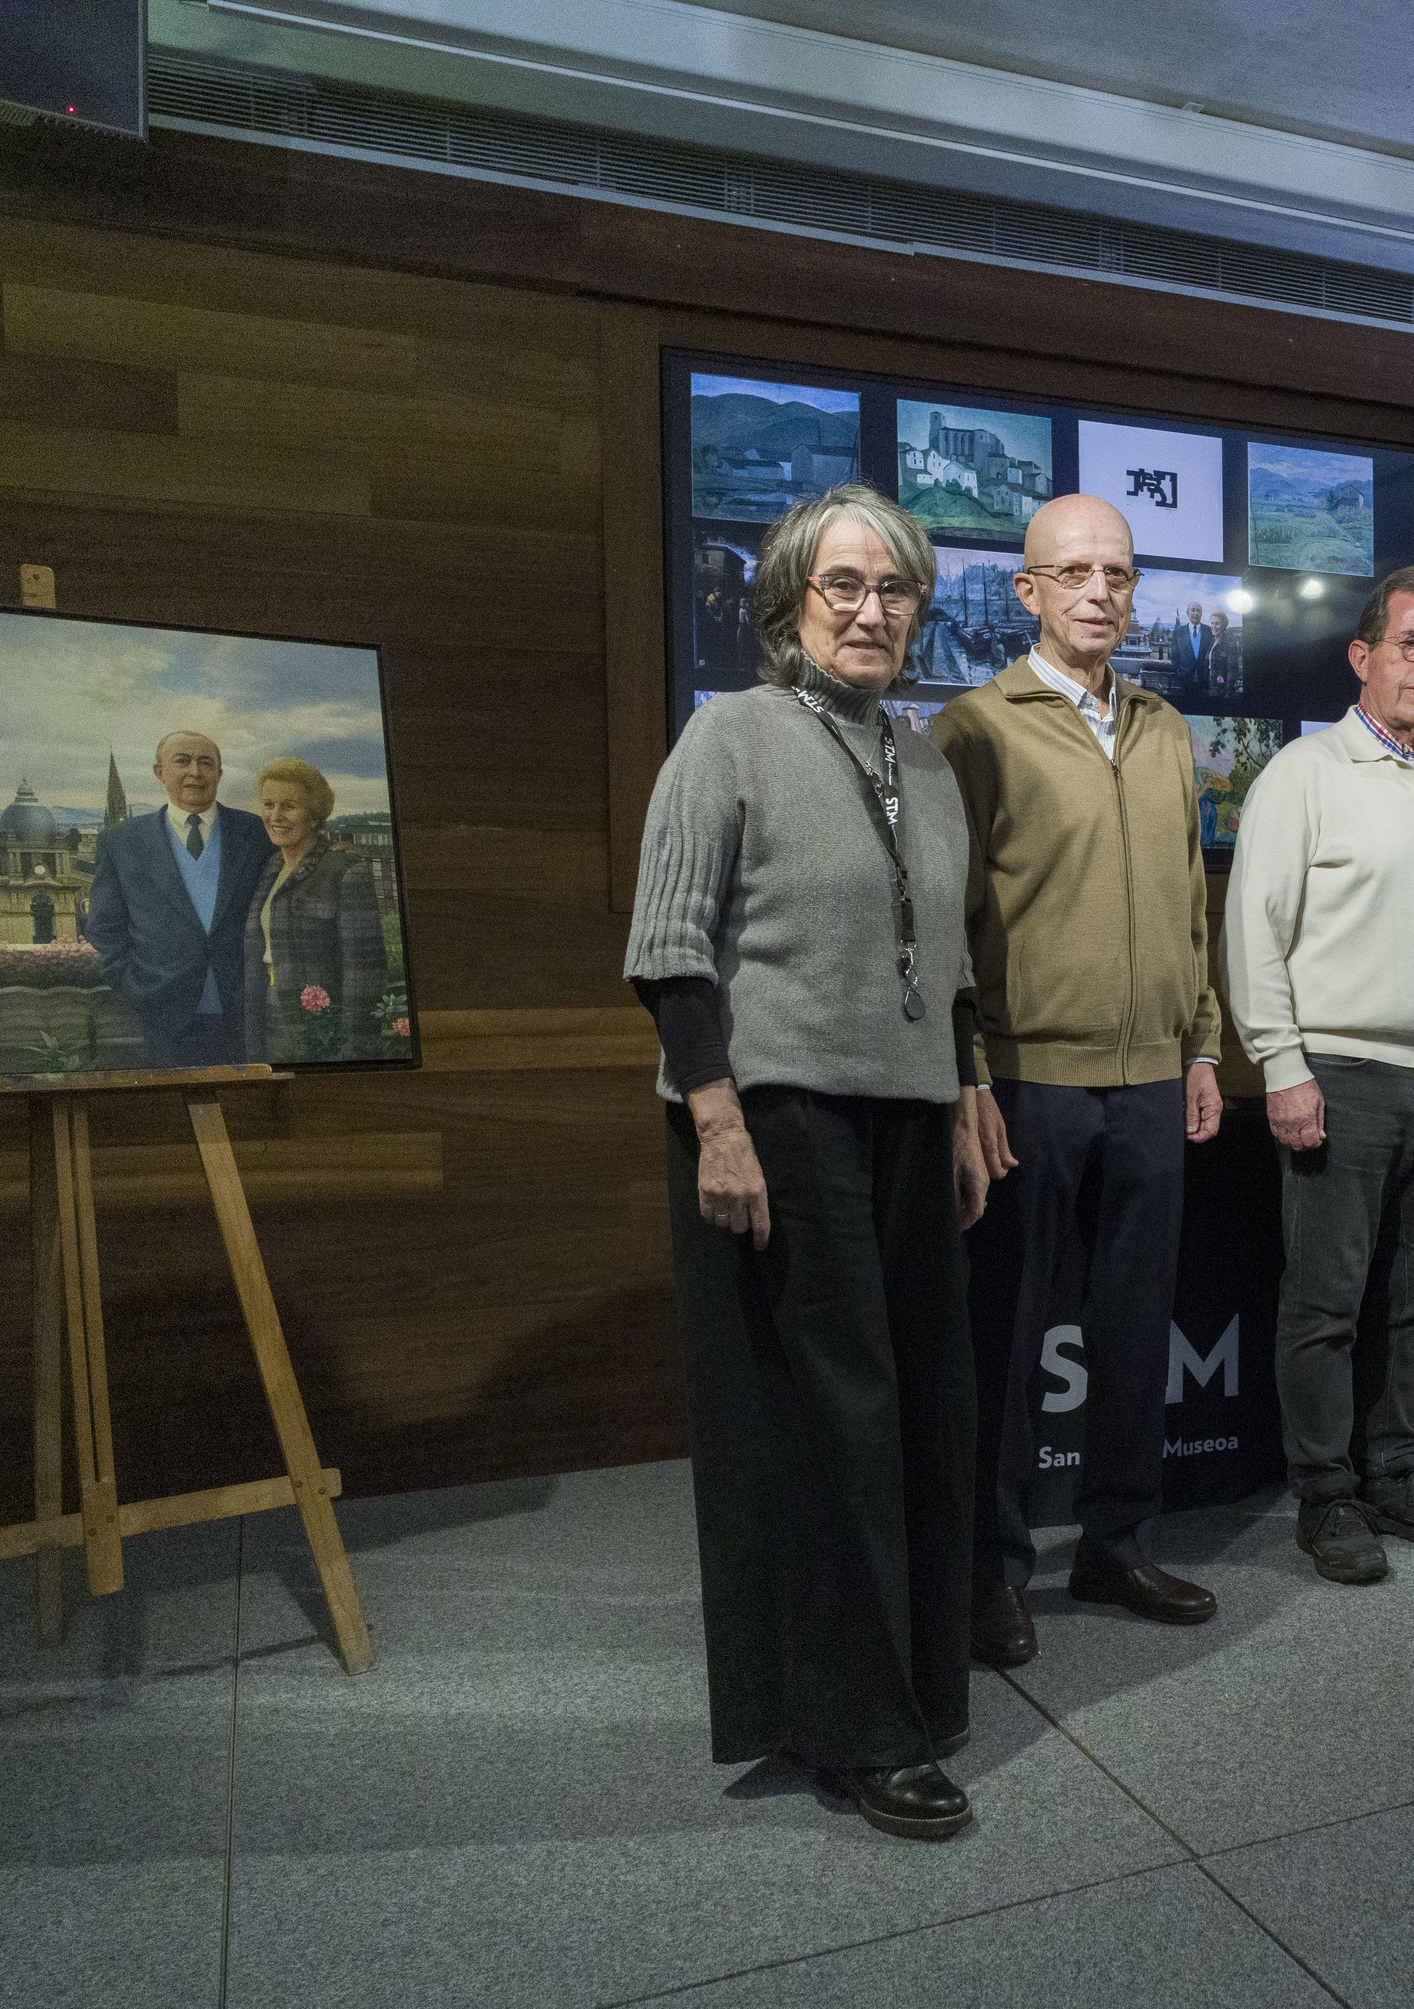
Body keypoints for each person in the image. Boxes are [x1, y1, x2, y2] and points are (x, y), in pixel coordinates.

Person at [624, 483, 996, 1842]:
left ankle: (908, 1679)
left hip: (907, 1119)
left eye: (894, 588)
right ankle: (857, 1727)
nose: (871, 610)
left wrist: (964, 1101)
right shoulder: (729, 735)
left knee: (919, 1411)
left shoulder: (928, 761)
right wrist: (715, 1119)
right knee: (829, 1422)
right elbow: (670, 946)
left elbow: (945, 967)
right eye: (843, 585)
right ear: (788, 605)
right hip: (776, 1118)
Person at [934, 494, 1224, 1670]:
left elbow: (1187, 902)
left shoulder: (1164, 725)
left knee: (1132, 1328)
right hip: (1025, 1078)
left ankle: (1115, 1541)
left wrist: (1202, 1042)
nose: (1100, 591)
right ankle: (991, 1568)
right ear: (1027, 590)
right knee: (1005, 1336)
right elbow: (947, 921)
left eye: (1119, 570)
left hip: (1154, 1075)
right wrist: (965, 1077)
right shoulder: (973, 727)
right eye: (1075, 572)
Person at [1224, 565, 1414, 1586]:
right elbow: (1252, 931)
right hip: (1342, 1075)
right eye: (1412, 643)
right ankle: (1326, 1493)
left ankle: (1395, 1468)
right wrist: (1282, 1063)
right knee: (1326, 1300)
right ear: (1364, 656)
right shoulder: (1305, 774)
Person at [82, 730, 277, 1068]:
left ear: (219, 772)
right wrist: (131, 983)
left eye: (206, 763)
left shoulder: (256, 833)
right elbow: (103, 925)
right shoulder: (121, 841)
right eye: (182, 762)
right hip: (161, 1011)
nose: (195, 772)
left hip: (243, 1009)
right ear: (160, 772)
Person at [242, 757, 385, 1062]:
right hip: (269, 1024)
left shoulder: (345, 869)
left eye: (289, 806)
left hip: (318, 1032)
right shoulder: (270, 868)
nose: (275, 816)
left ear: (315, 815)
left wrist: (353, 1051)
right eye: (268, 805)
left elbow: (364, 974)